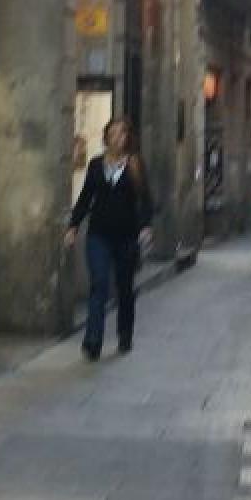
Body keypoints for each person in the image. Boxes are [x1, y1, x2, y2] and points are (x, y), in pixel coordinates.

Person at [65, 118, 155, 362]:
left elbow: (145, 200)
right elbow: (85, 198)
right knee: (99, 283)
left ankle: (125, 333)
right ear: (106, 138)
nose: (117, 138)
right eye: (112, 133)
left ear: (127, 138)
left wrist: (145, 226)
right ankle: (93, 340)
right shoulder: (95, 165)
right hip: (98, 235)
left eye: (121, 133)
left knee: (125, 288)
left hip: (126, 236)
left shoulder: (135, 165)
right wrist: (73, 225)